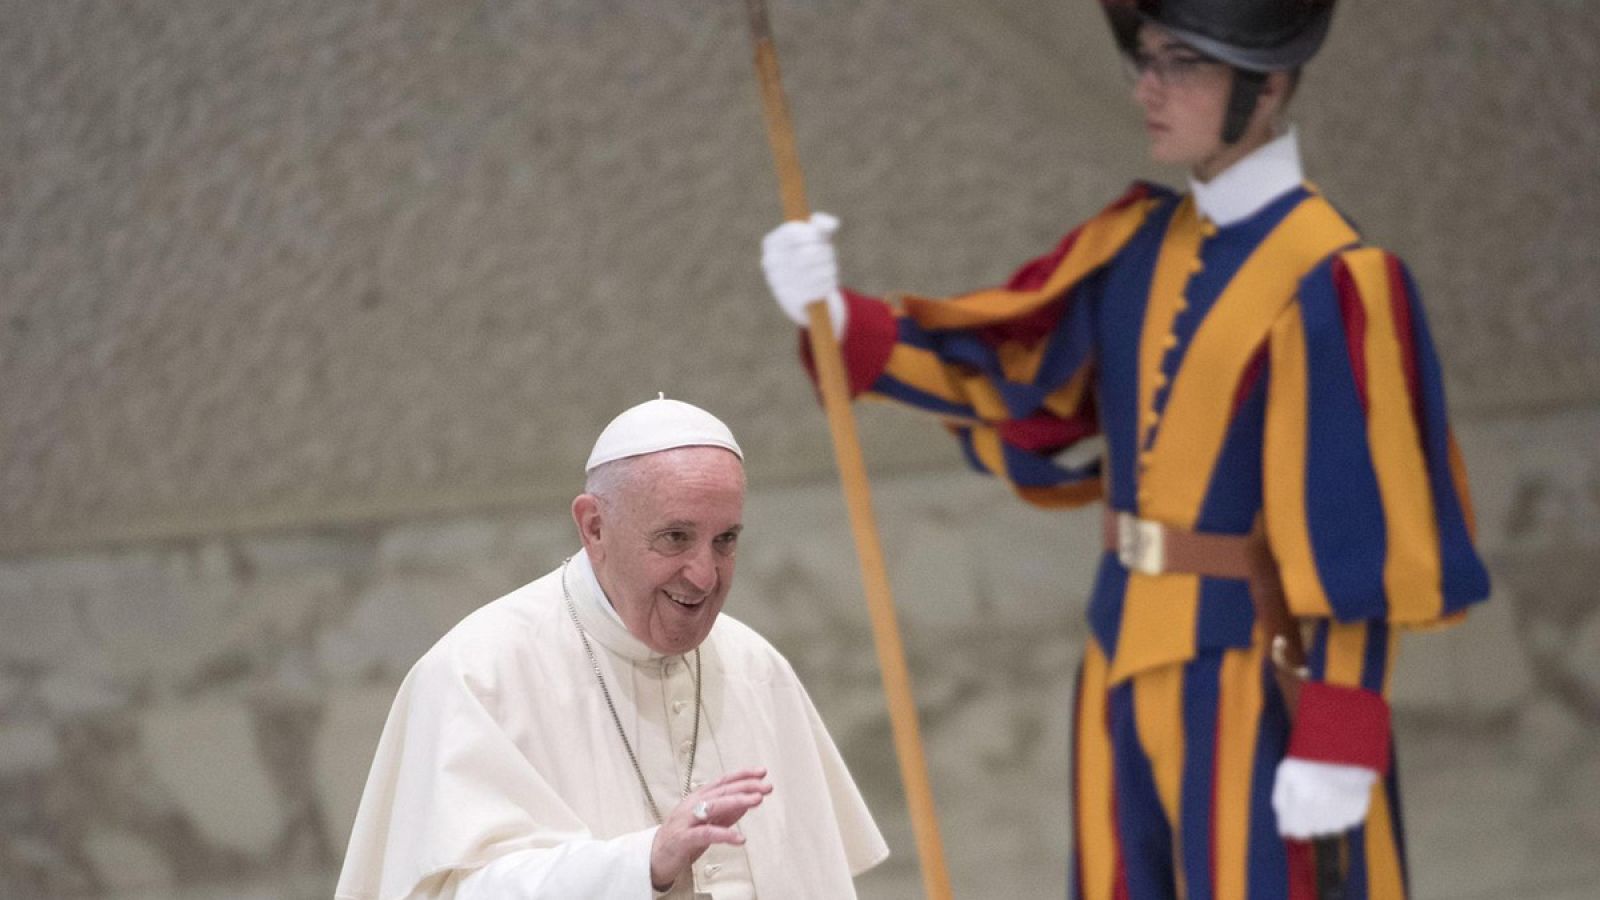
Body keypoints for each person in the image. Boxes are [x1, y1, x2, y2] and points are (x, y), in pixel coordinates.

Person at [757, 1, 1490, 898]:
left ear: (1270, 84)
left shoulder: (1333, 276)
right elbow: (1016, 382)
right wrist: (837, 318)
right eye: (1146, 57)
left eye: (1183, 62)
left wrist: (1339, 731)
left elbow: (1356, 531)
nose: (1150, 85)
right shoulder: (1137, 243)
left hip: (1254, 670)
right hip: (1120, 649)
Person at [335, 397, 888, 899]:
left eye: (726, 541)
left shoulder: (756, 668)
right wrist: (643, 862)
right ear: (594, 527)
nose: (703, 575)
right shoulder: (477, 672)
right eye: (675, 538)